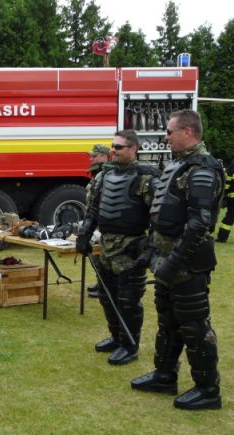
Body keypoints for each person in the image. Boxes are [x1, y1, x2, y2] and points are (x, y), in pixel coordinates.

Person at [131, 109, 224, 410]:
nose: (165, 137)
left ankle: (208, 390)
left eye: (170, 132)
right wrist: (150, 250)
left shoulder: (202, 170)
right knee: (168, 322)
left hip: (188, 263)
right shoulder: (179, 166)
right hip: (166, 260)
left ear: (188, 132)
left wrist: (174, 262)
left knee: (194, 325)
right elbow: (163, 217)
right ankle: (164, 375)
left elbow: (199, 224)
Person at [76, 130, 159, 365]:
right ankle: (116, 337)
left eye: (119, 147)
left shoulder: (146, 178)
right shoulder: (105, 176)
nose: (114, 150)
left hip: (131, 247)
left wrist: (150, 250)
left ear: (134, 148)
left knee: (128, 300)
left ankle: (130, 346)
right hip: (106, 246)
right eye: (113, 146)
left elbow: (159, 218)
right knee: (106, 295)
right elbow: (94, 210)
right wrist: (84, 235)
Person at [85, 144, 111, 298]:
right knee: (96, 254)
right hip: (95, 220)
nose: (91, 159)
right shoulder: (98, 173)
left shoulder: (107, 174)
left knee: (102, 255)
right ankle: (100, 282)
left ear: (104, 156)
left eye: (94, 156)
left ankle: (104, 286)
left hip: (102, 221)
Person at [216, 160, 234, 242]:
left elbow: (227, 179)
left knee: (229, 218)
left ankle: (222, 238)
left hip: (233, 197)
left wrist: (224, 194)